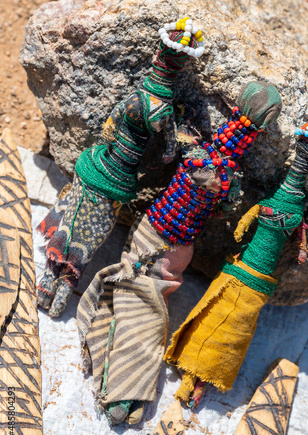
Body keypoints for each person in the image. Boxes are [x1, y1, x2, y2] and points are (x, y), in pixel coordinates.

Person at [77, 81, 283, 424]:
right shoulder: (203, 165)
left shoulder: (215, 170)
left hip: (170, 252)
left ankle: (126, 388)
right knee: (142, 311)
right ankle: (122, 389)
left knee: (150, 315)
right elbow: (204, 178)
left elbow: (216, 191)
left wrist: (219, 191)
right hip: (155, 242)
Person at [36, 17, 205, 317]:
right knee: (86, 245)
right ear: (177, 70)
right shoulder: (166, 113)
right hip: (121, 181)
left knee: (69, 224)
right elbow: (167, 155)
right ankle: (59, 301)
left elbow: (108, 131)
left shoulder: (133, 101)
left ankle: (45, 287)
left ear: (156, 58)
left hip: (98, 166)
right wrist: (146, 164)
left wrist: (112, 149)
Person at [164, 117, 308, 407]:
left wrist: (244, 227)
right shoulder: (290, 213)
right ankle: (196, 375)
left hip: (247, 274)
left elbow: (251, 220)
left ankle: (197, 375)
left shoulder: (281, 208)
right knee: (225, 324)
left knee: (225, 322)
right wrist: (300, 252)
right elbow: (299, 246)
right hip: (252, 277)